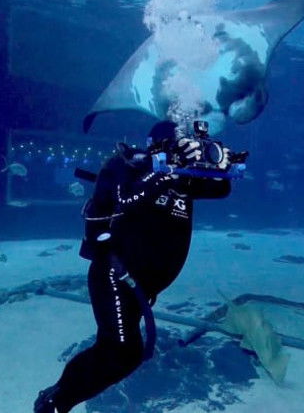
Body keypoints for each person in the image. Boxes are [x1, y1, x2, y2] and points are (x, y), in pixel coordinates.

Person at [34, 120, 232, 413]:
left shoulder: (183, 177)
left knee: (113, 350)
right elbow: (127, 198)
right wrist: (166, 173)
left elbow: (222, 188)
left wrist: (218, 164)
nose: (184, 152)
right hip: (115, 275)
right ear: (159, 145)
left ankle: (55, 397)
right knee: (122, 352)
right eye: (179, 146)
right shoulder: (125, 166)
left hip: (142, 285)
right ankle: (55, 404)